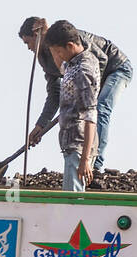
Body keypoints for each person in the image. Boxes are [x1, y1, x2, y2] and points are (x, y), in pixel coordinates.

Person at [20, 17, 132, 178]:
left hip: (116, 68)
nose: (29, 48)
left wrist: (88, 90)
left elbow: (101, 59)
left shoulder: (68, 37)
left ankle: (95, 165)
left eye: (27, 42)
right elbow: (54, 95)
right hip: (92, 79)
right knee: (87, 110)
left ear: (37, 35)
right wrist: (40, 125)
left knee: (98, 109)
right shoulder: (45, 59)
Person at [35, 21, 101, 192]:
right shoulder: (73, 64)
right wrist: (46, 35)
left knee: (74, 199)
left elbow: (90, 115)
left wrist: (85, 159)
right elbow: (61, 66)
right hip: (71, 144)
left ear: (70, 45)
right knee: (70, 197)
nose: (57, 55)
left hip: (79, 145)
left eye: (58, 51)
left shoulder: (83, 71)